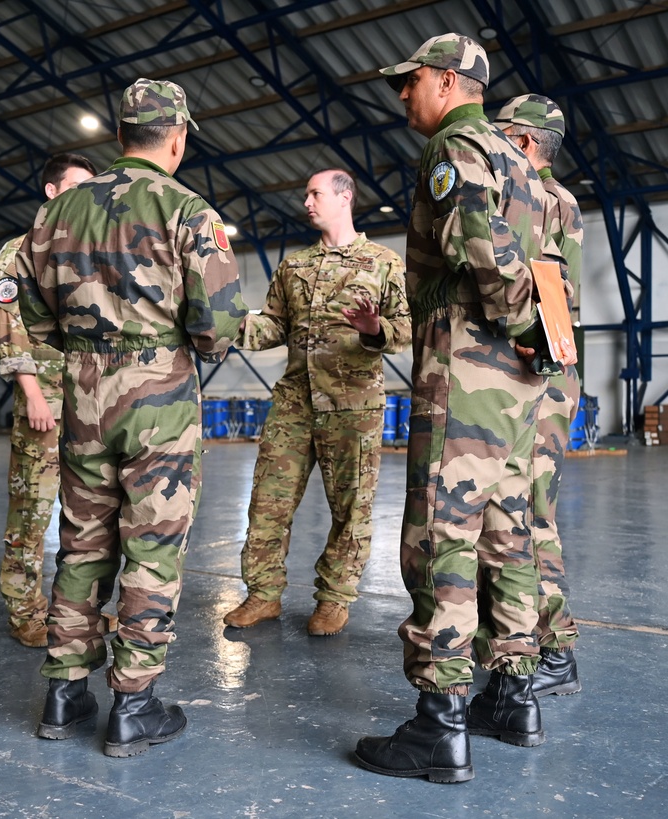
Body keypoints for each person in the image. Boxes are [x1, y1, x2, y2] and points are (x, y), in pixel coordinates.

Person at [14, 77, 247, 758]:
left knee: (83, 541)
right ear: (176, 140)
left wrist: (90, 349)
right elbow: (218, 322)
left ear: (118, 138)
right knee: (151, 546)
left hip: (83, 394)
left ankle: (63, 690)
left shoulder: (56, 214)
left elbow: (32, 316)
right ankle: (134, 704)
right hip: (159, 398)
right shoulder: (187, 209)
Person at [354, 33, 553, 783]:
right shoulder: (520, 161)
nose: (402, 95)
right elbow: (539, 262)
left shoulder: (456, 148)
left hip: (468, 360)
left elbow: (483, 246)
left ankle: (439, 723)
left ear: (446, 80)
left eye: (410, 83)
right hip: (518, 381)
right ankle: (512, 693)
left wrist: (518, 318)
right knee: (509, 531)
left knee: (440, 532)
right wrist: (537, 334)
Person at [222, 169, 410, 636]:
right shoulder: (294, 267)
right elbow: (271, 327)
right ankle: (262, 595)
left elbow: (406, 329)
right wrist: (225, 324)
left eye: (315, 193)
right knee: (268, 501)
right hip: (294, 404)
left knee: (351, 509)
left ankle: (333, 600)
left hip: (353, 406)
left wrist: (374, 330)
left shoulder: (383, 262)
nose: (306, 202)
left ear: (345, 197)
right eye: (305, 193)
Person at [493, 94, 583, 696]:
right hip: (544, 372)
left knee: (527, 518)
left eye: (502, 136)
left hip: (542, 376)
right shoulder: (552, 199)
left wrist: (536, 343)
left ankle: (553, 650)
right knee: (519, 515)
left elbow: (546, 285)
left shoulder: (545, 200)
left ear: (525, 143)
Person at [0, 153, 97, 648]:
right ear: (53, 192)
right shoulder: (19, 251)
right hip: (45, 403)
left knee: (89, 514)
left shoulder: (94, 250)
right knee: (32, 510)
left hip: (94, 401)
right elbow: (7, 329)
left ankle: (77, 613)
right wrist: (32, 393)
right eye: (78, 186)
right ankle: (25, 613)